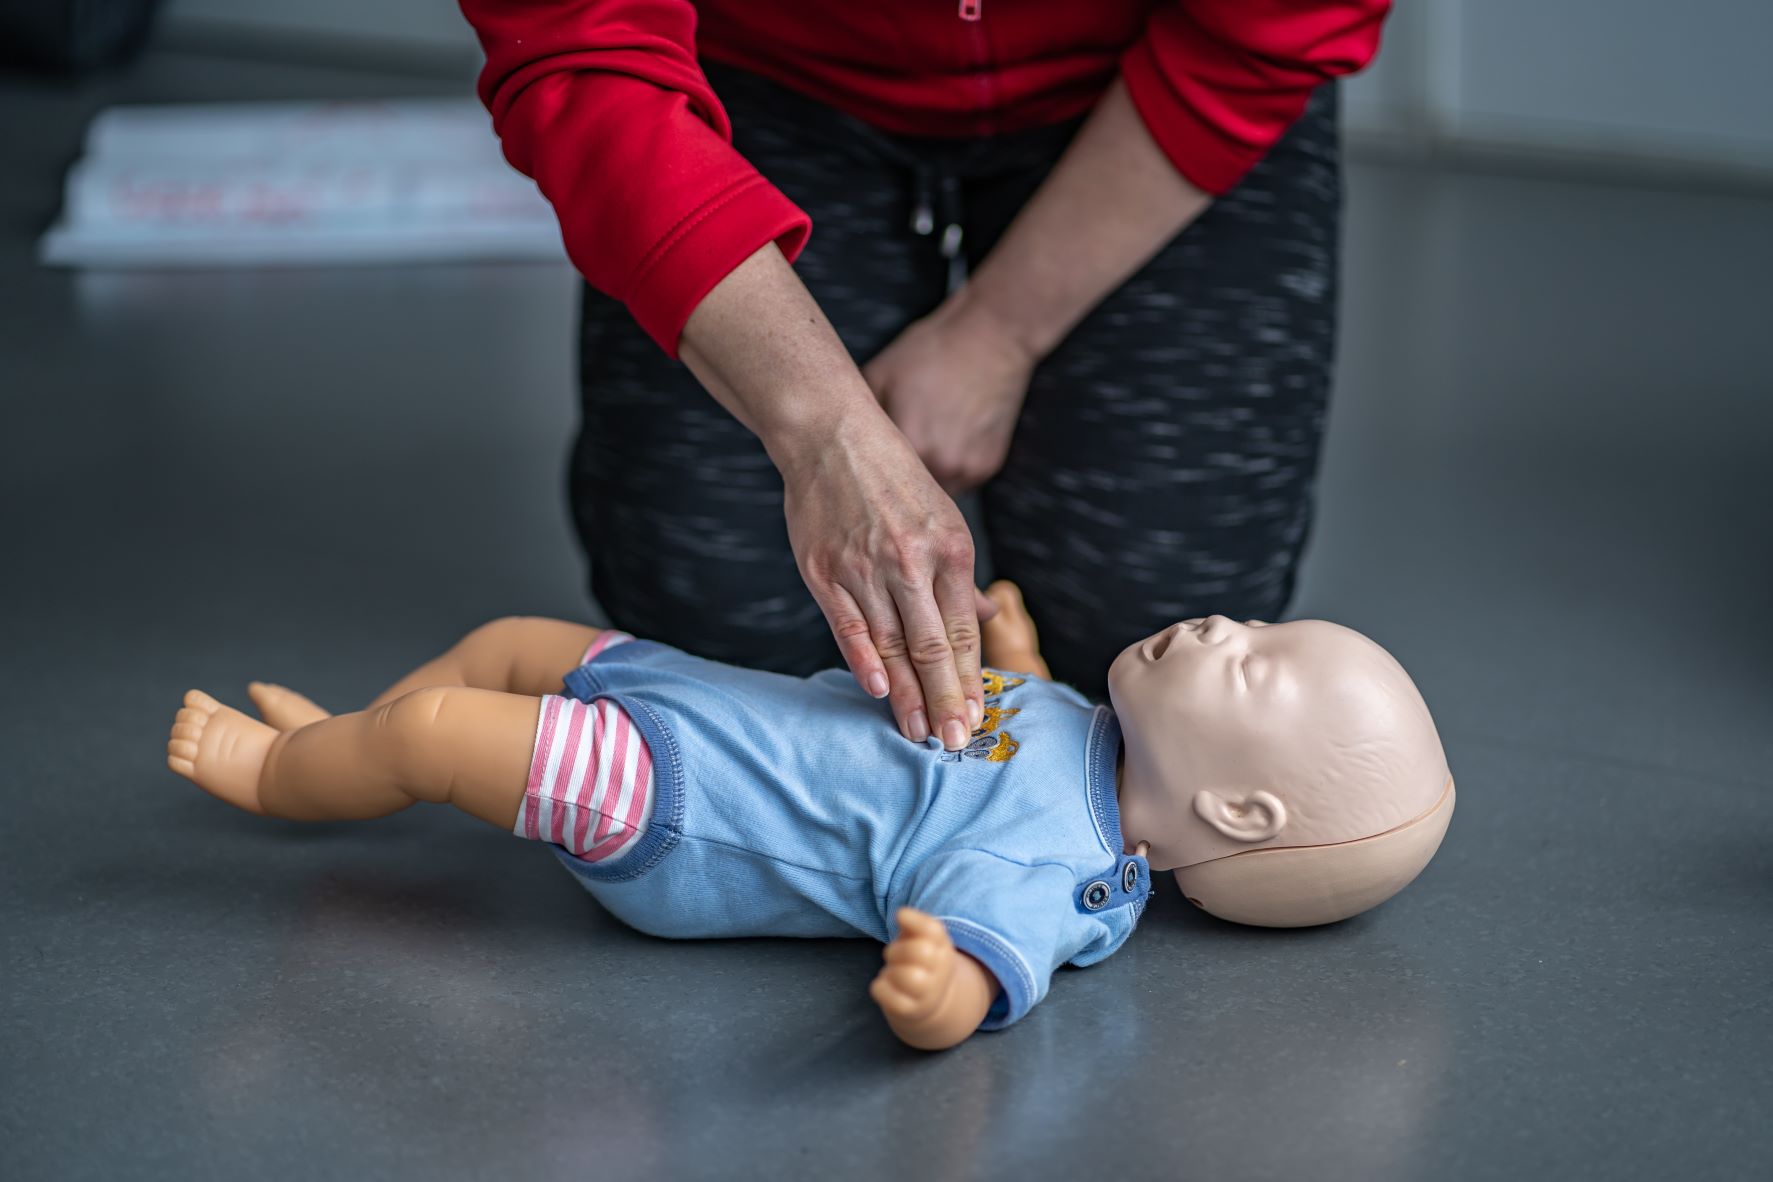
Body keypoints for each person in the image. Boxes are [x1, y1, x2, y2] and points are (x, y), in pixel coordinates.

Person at [458, 1, 1390, 751]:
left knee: (1159, 647)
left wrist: (996, 338)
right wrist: (824, 433)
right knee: (724, 643)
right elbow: (579, 47)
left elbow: (1281, 23)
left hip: (1153, 69)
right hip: (762, 70)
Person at [165, 584, 1454, 1050]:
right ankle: (337, 744)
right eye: (1263, 624)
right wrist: (1013, 647)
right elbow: (1013, 721)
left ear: (1238, 808)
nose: (1228, 626)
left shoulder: (1060, 870)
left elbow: (992, 957)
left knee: (439, 736)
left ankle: (285, 777)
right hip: (713, 701)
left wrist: (940, 992)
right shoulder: (1094, 730)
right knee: (506, 642)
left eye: (1256, 667)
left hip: (680, 810)